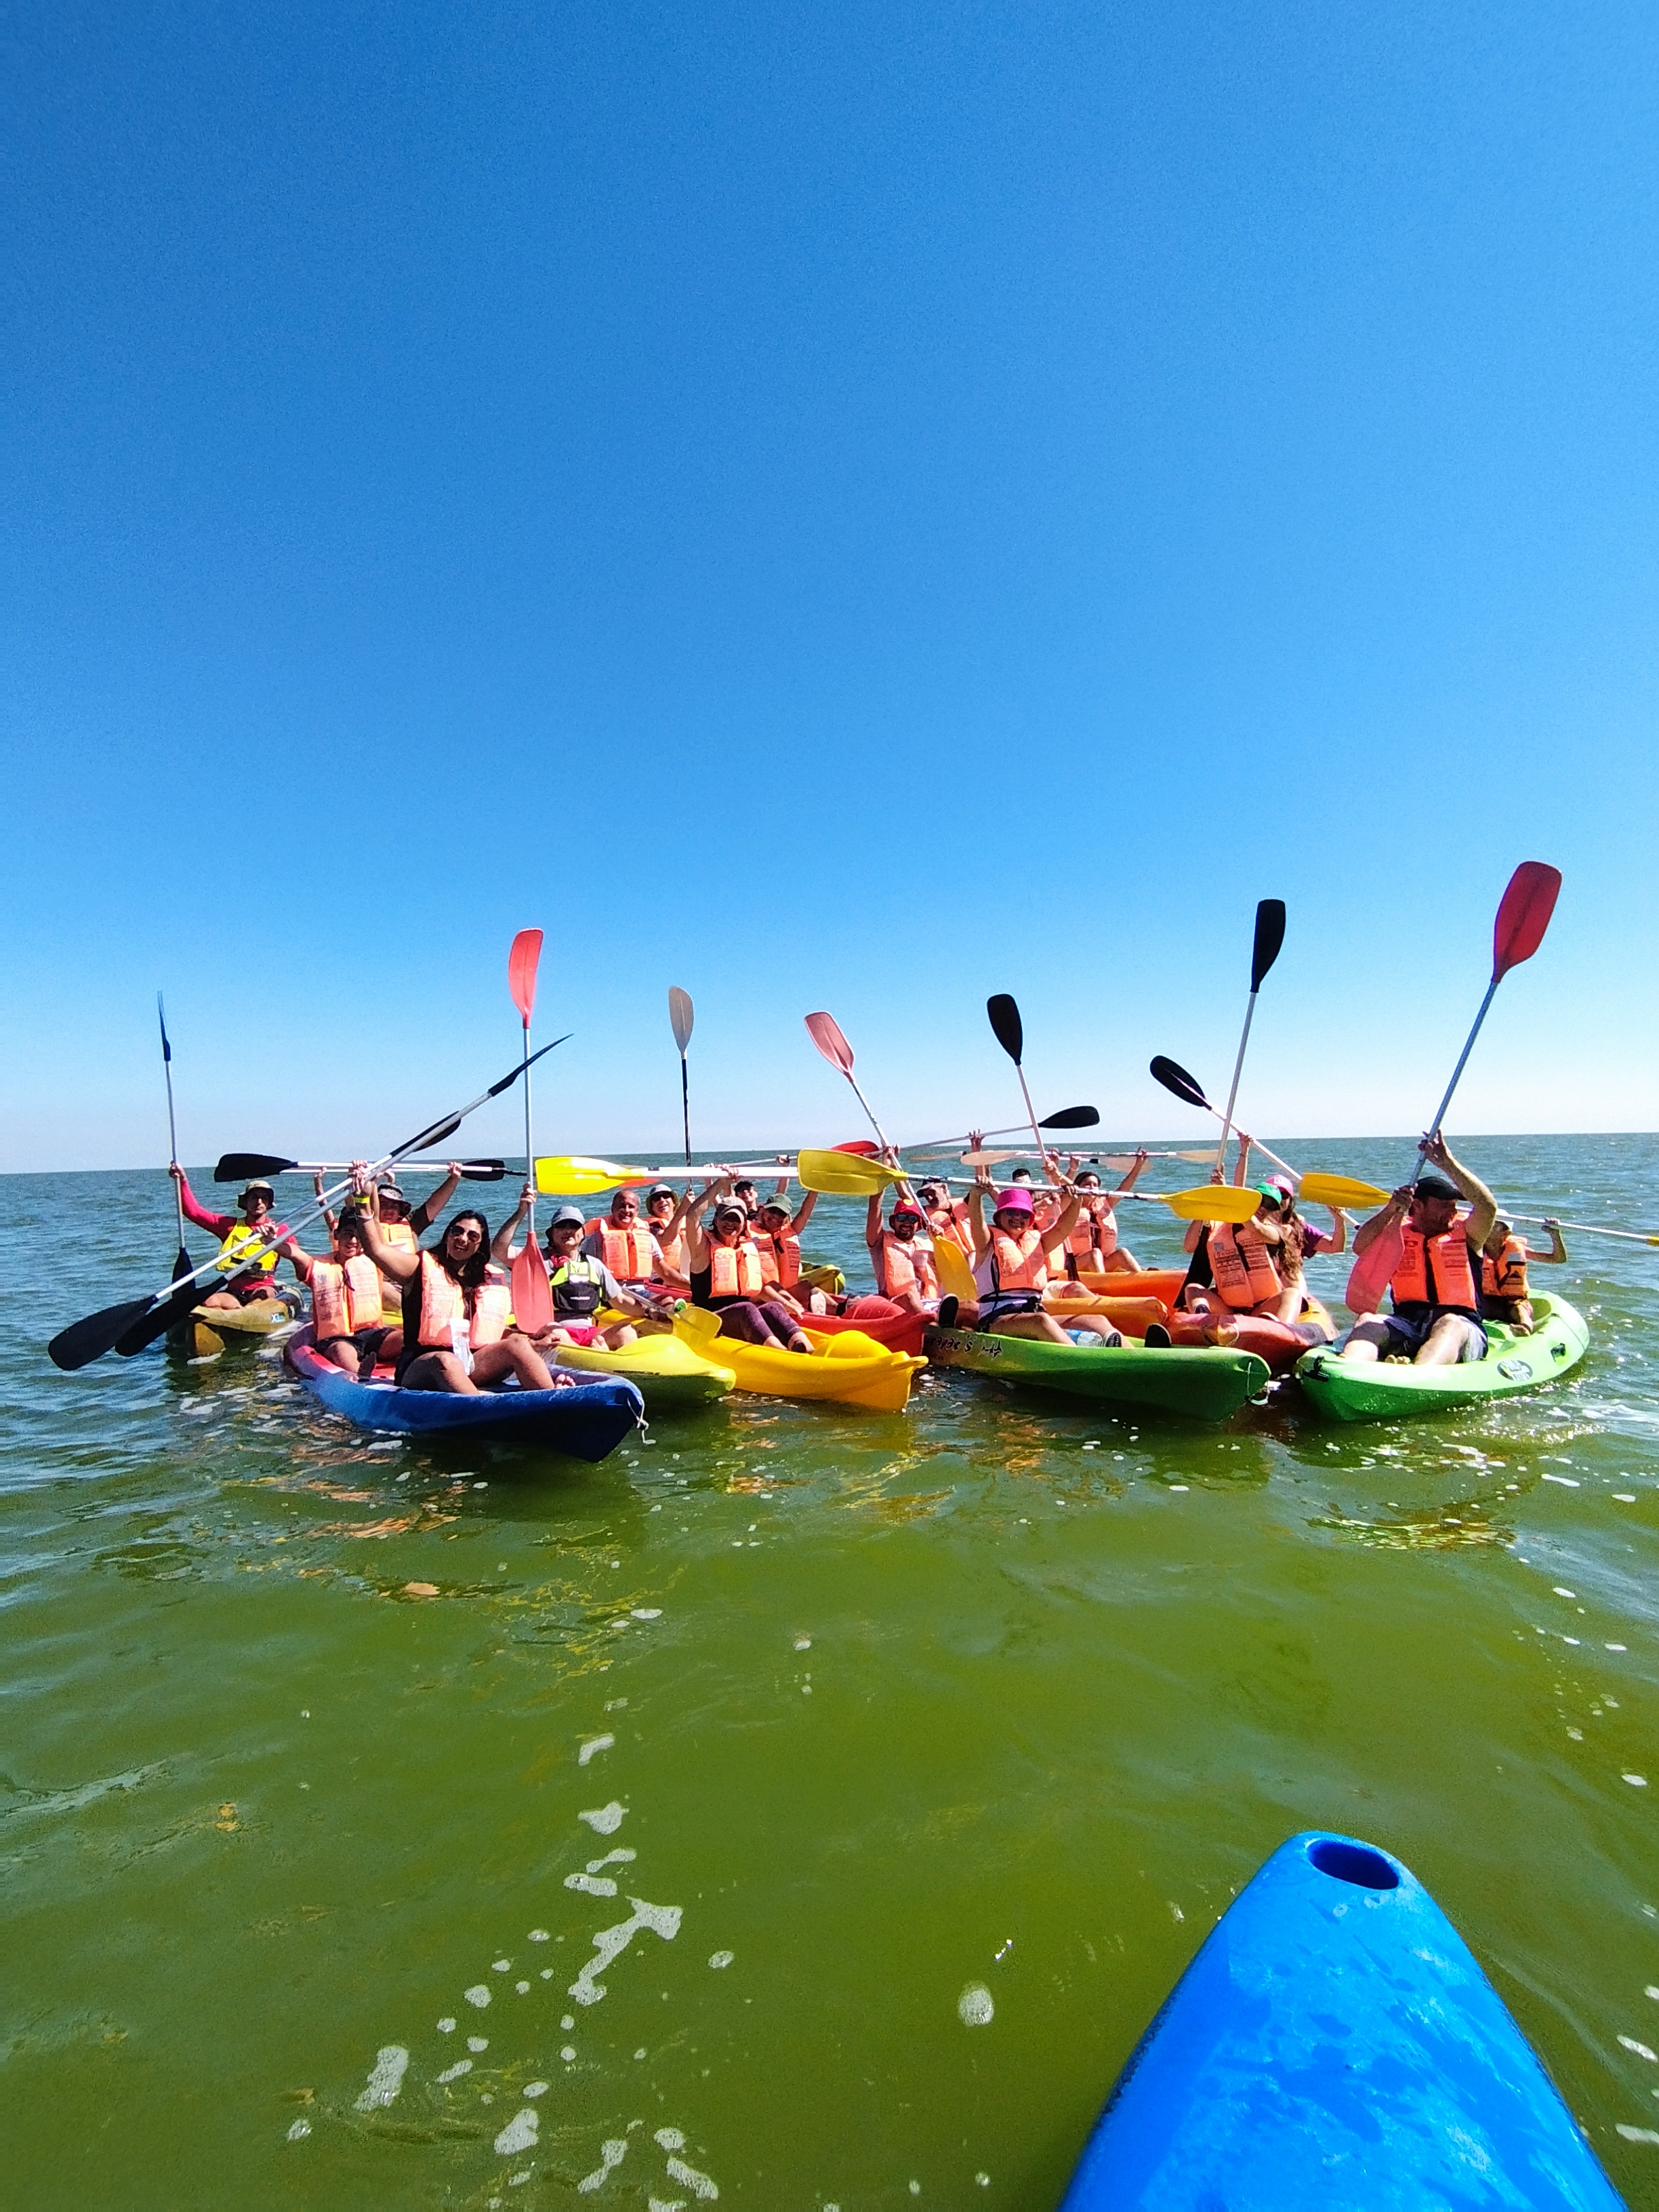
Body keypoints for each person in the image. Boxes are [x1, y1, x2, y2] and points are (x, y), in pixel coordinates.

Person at [355, 1183, 564, 1394]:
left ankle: (554, 1402)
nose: (463, 1239)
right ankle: (483, 1410)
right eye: (457, 1231)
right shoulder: (418, 1267)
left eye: (472, 1236)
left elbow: (490, 1331)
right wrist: (363, 1201)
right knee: (446, 1360)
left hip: (468, 1364)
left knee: (517, 1344)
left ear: (479, 1245)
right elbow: (377, 1249)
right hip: (422, 1367)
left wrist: (533, 1341)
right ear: (447, 1235)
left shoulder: (485, 1279)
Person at [1338, 1134, 1497, 1367]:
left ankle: (1417, 1373)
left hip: (1462, 1326)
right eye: (1444, 1206)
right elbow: (1360, 1246)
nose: (1452, 1212)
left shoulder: (1468, 1235)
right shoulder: (1397, 1234)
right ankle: (1348, 1369)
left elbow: (1487, 1207)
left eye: (1454, 1206)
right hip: (1409, 1323)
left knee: (1449, 1323)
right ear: (1418, 1206)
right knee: (1367, 1320)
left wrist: (1447, 1162)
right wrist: (1391, 1208)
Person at [962, 1168, 1122, 1345]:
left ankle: (1133, 1356)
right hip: (996, 1319)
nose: (1018, 1218)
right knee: (1041, 1321)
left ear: (1030, 1220)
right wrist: (976, 1195)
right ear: (999, 1216)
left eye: (1024, 1214)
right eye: (1012, 1212)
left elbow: (1062, 1228)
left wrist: (1076, 1202)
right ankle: (1086, 1360)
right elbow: (977, 1221)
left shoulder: (1038, 1242)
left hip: (1033, 1313)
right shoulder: (987, 1242)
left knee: (1097, 1320)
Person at [493, 1195, 674, 1349]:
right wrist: (521, 1211)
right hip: (552, 1330)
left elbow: (620, 1300)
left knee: (626, 1331)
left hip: (588, 1331)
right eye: (562, 1226)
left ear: (582, 1233)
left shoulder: (594, 1265)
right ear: (552, 1233)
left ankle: (621, 1368)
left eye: (574, 1226)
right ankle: (594, 1357)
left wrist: (650, 1312)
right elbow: (499, 1250)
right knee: (557, 1333)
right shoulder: (535, 1260)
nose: (568, 1231)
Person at [681, 1181, 813, 1350]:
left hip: (740, 1317)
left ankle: (806, 1349)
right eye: (726, 1217)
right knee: (746, 1308)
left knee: (773, 1307)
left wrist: (789, 1304)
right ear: (716, 1219)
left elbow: (761, 1288)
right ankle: (783, 1356)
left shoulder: (745, 1248)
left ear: (744, 1224)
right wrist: (721, 1183)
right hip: (708, 1320)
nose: (730, 1223)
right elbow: (692, 1216)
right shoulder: (703, 1247)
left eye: (736, 1219)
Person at [170, 1168, 300, 1313]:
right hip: (234, 1293)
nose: (259, 1202)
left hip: (263, 1288)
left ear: (269, 1204)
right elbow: (193, 1212)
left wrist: (274, 1241)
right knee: (210, 1301)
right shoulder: (229, 1226)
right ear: (245, 1202)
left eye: (264, 1198)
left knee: (263, 1296)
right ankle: (226, 1321)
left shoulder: (280, 1229)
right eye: (254, 1197)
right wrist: (182, 1180)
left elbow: (298, 1257)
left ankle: (244, 1316)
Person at [283, 1206, 388, 1376]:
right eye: (347, 1234)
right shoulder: (317, 1265)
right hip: (336, 1338)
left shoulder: (375, 1261)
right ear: (337, 1235)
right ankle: (362, 1375)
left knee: (403, 1340)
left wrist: (365, 1194)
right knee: (341, 1351)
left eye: (357, 1235)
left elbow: (373, 1218)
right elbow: (294, 1254)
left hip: (371, 1334)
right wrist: (272, 1240)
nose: (353, 1240)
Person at [1060, 1154, 1149, 1275]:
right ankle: (1102, 1285)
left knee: (1122, 1252)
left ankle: (1142, 1280)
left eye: (1095, 1185)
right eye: (1087, 1184)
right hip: (1075, 1263)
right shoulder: (1068, 1206)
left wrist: (1139, 1165)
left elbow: (1125, 1188)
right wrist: (1073, 1169)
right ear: (1078, 1187)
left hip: (1101, 1262)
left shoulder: (1104, 1204)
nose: (1091, 1187)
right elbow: (1066, 1190)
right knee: (1095, 1253)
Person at [1479, 1216, 1567, 1334]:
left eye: (1495, 1225)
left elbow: (1558, 1259)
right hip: (1487, 1302)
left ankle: (1524, 1327)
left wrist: (1555, 1235)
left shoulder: (1517, 1250)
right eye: (1487, 1222)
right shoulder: (1476, 1251)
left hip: (1514, 1301)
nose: (1488, 1225)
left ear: (1506, 1233)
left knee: (1519, 1308)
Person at [865, 1185, 941, 1316]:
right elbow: (874, 1208)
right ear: (893, 1222)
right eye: (901, 1218)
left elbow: (952, 1265)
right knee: (909, 1297)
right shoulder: (879, 1241)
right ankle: (932, 1323)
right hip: (896, 1305)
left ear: (918, 1226)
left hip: (931, 1303)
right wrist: (879, 1185)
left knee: (966, 1304)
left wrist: (941, 1239)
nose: (907, 1223)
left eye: (912, 1219)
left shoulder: (929, 1244)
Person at [751, 1188, 819, 1308]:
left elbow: (805, 1213)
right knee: (773, 1286)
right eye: (773, 1211)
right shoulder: (748, 1233)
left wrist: (814, 1190)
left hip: (785, 1291)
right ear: (764, 1212)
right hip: (760, 1294)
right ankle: (802, 1313)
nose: (776, 1217)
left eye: (781, 1214)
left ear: (786, 1217)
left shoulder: (790, 1232)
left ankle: (842, 1308)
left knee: (806, 1286)